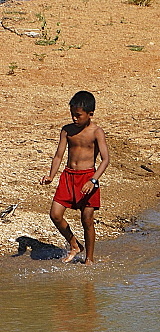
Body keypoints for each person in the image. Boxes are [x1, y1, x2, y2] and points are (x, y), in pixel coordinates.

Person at [40, 90, 110, 265]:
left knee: (87, 219)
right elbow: (58, 155)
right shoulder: (67, 130)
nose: (74, 119)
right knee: (55, 214)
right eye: (72, 115)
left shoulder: (96, 132)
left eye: (78, 115)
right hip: (68, 176)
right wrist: (51, 176)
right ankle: (74, 244)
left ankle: (89, 259)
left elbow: (106, 159)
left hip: (87, 177)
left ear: (90, 114)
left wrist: (93, 180)